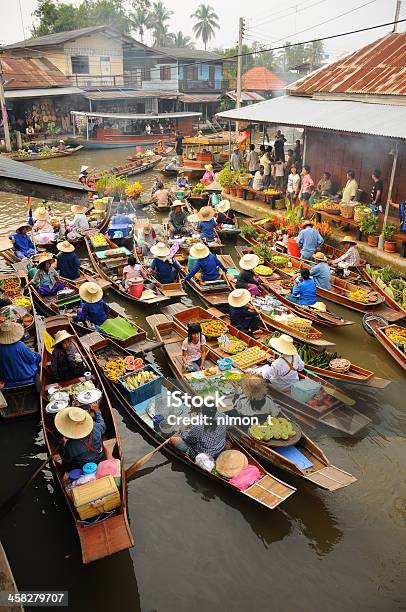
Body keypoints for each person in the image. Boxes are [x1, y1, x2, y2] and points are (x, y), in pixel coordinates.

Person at [55, 406, 106, 471]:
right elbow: (102, 423)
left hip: (81, 464)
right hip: (99, 456)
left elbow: (66, 459)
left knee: (66, 464)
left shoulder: (70, 445)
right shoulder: (96, 426)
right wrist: (97, 411)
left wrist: (62, 445)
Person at [0, 320, 41, 388]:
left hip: (8, 380)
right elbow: (31, 359)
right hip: (26, 377)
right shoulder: (20, 345)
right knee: (37, 358)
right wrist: (38, 356)